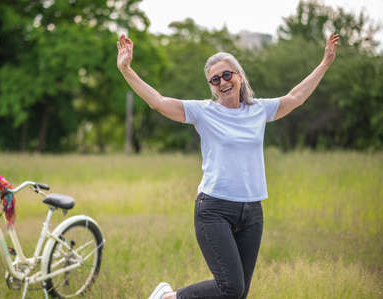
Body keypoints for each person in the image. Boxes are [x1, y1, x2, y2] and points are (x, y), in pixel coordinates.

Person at [117, 33, 340, 299]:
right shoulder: (204, 112)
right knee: (231, 288)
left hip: (252, 212)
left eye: (226, 75)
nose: (222, 82)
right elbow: (158, 102)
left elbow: (296, 97)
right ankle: (167, 298)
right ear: (211, 86)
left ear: (239, 76)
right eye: (215, 79)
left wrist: (325, 62)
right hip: (214, 209)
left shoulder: (259, 110)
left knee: (239, 294)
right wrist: (126, 69)